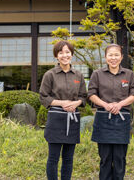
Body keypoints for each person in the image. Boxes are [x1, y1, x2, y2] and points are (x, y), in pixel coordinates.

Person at [88, 44, 134, 180]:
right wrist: (106, 105)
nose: (113, 58)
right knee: (105, 158)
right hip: (103, 119)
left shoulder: (129, 74)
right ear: (105, 57)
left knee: (120, 158)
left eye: (116, 55)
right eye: (110, 55)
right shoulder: (97, 74)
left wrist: (120, 104)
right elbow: (91, 94)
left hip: (122, 119)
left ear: (121, 57)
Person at [39, 40, 87, 180]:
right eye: (61, 53)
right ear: (56, 56)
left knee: (68, 158)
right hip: (56, 119)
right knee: (53, 158)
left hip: (72, 119)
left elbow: (83, 97)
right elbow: (43, 97)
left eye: (67, 52)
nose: (64, 55)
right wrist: (62, 103)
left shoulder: (78, 75)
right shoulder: (50, 74)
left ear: (72, 54)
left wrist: (75, 103)